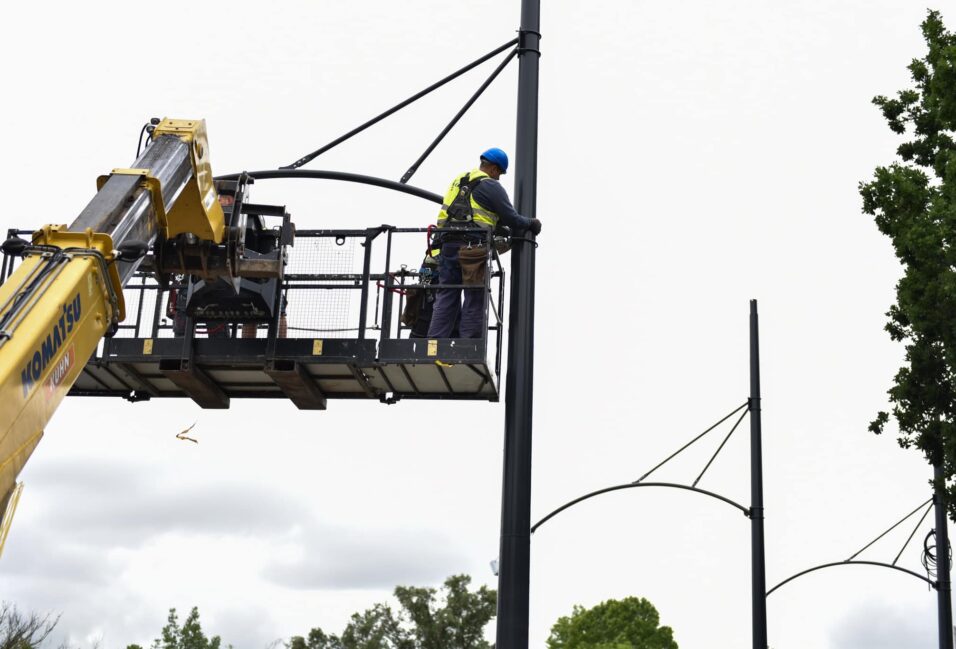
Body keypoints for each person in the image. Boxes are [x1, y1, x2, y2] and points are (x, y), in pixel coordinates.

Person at [427, 148, 542, 338]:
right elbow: (511, 218)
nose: (498, 179)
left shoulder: (459, 180)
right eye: (499, 175)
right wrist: (531, 223)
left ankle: (435, 343)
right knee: (474, 296)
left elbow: (468, 211)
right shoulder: (491, 186)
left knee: (447, 293)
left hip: (447, 244)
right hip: (472, 249)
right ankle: (468, 346)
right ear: (495, 169)